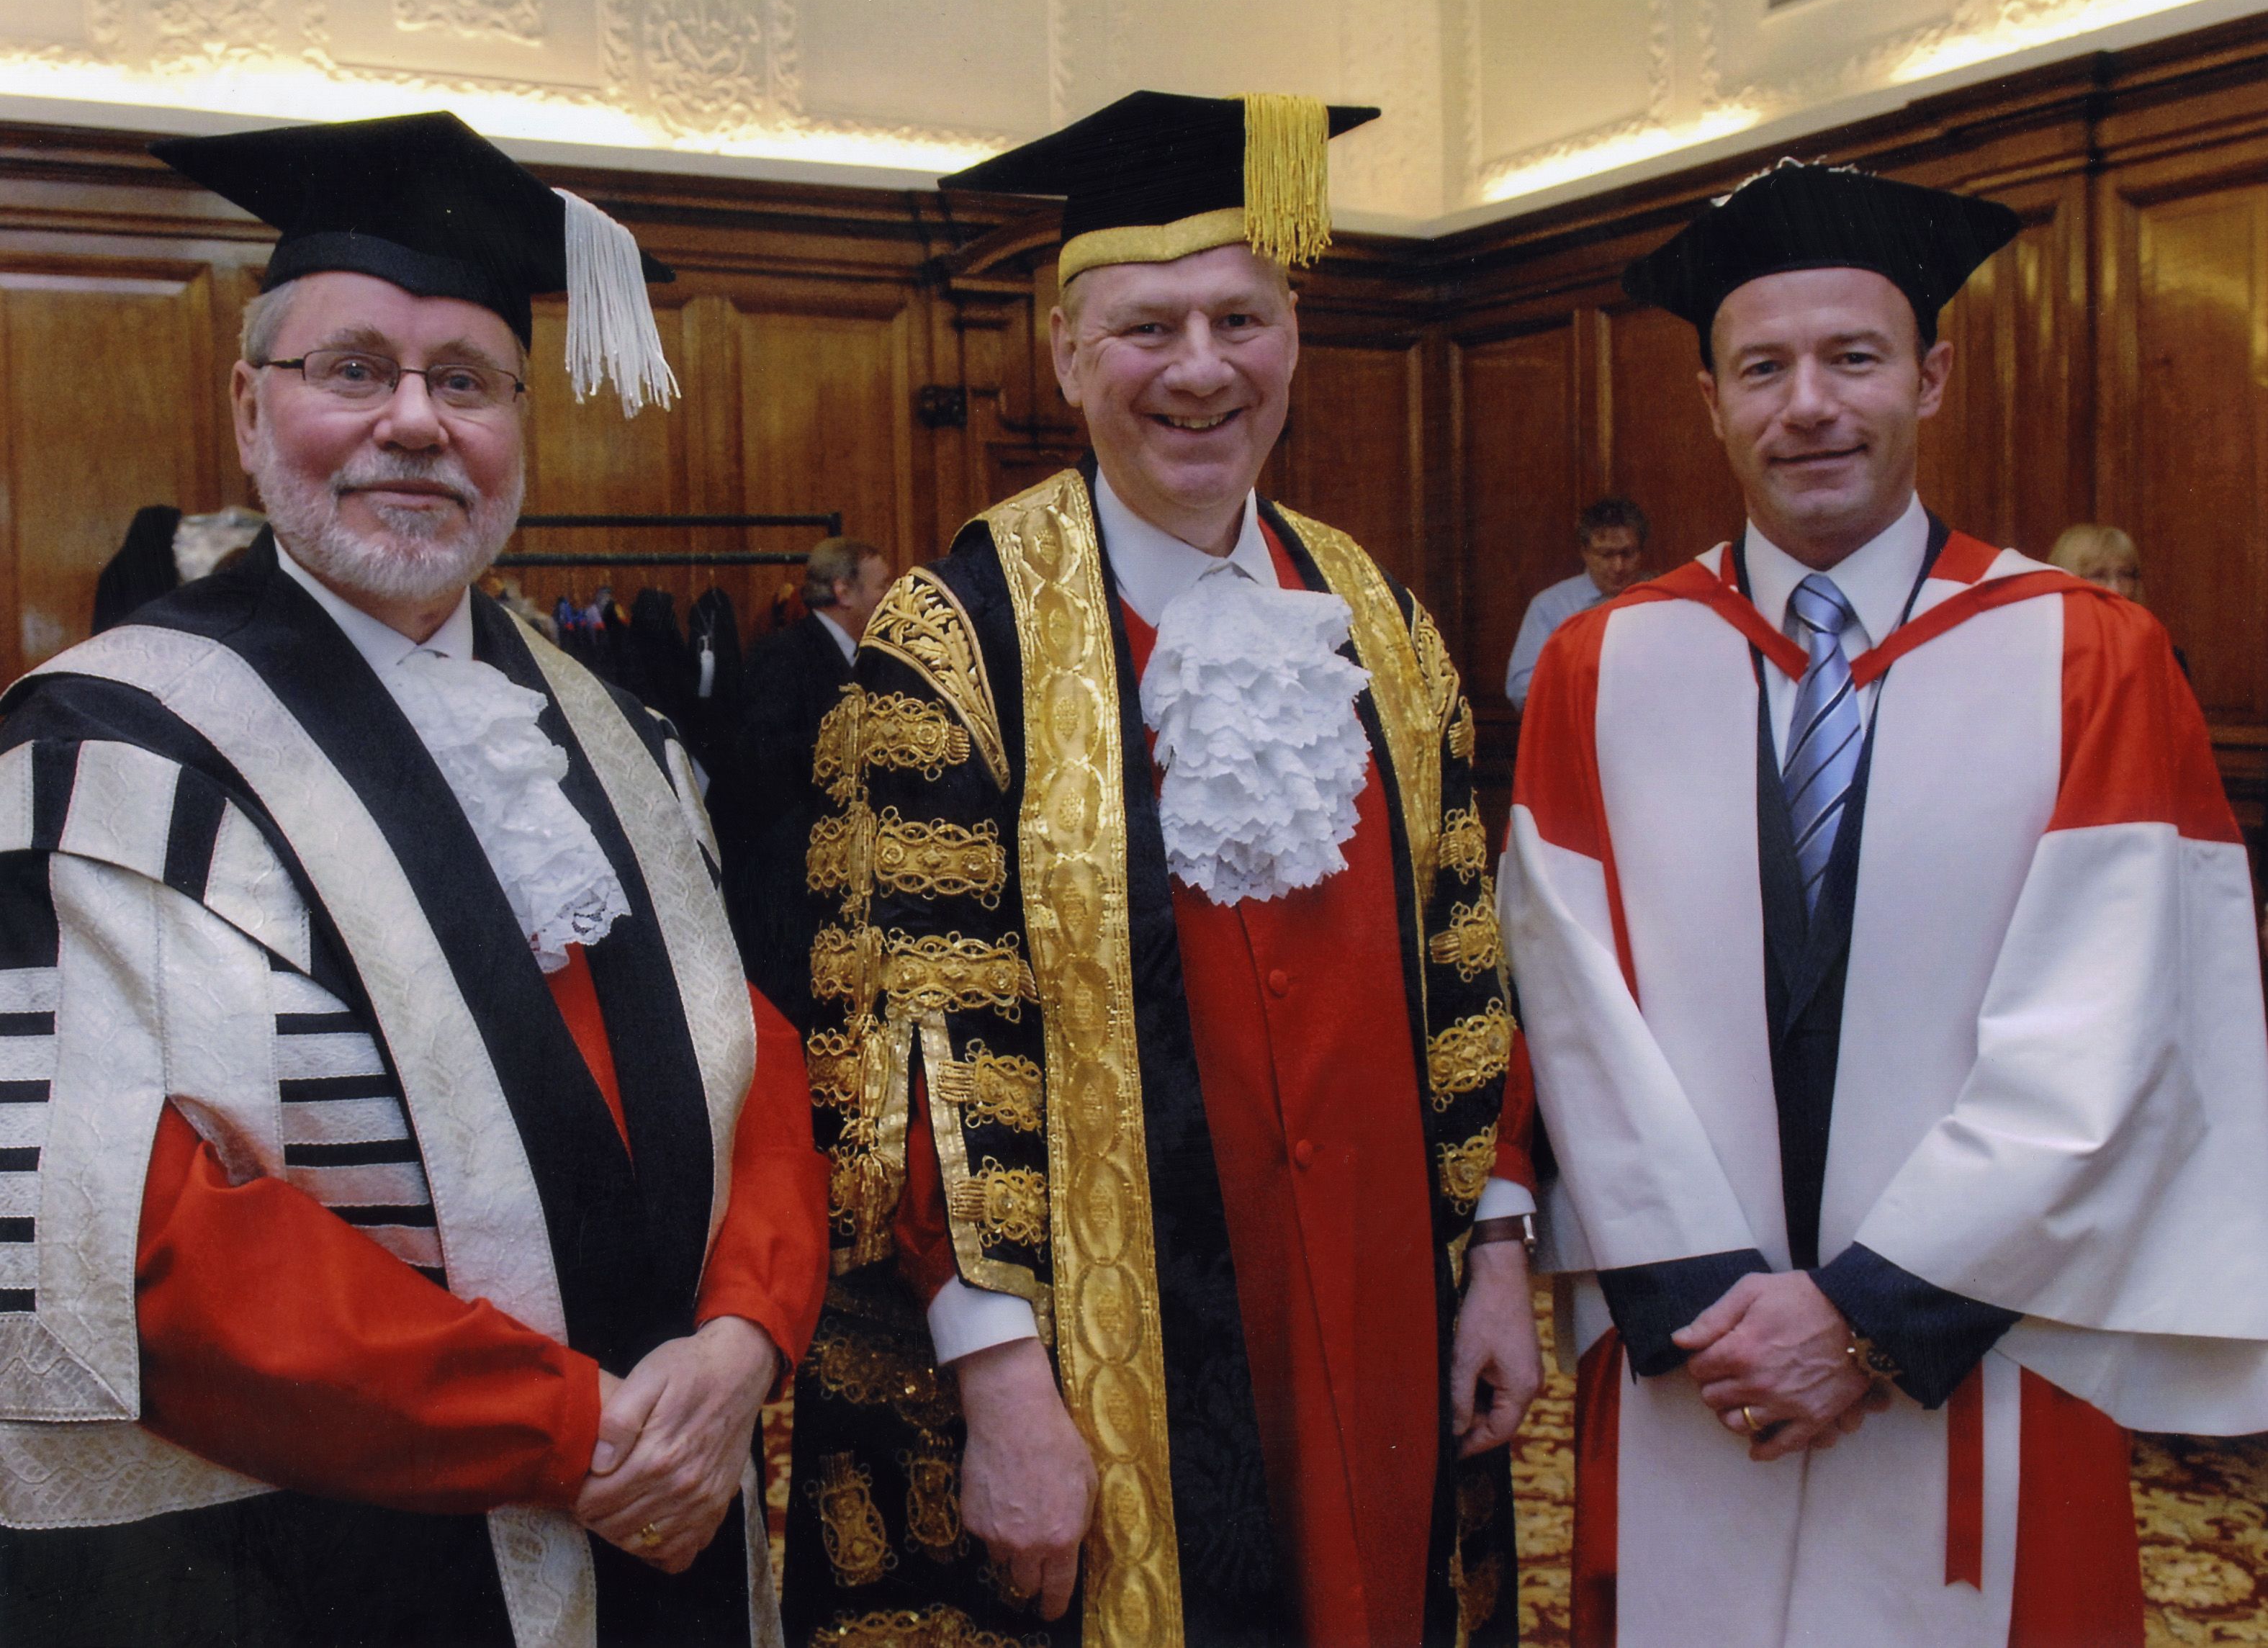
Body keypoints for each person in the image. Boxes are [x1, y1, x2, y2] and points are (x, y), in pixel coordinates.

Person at [0, 112, 831, 1648]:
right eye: (354, 369)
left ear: (521, 422)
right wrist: (570, 1428)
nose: (414, 422)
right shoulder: (106, 749)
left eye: (466, 381)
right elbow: (129, 1238)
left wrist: (744, 1335)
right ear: (249, 409)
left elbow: (752, 1058)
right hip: (330, 1563)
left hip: (678, 1502)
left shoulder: (624, 738)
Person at [780, 91, 1539, 1648]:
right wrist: (1001, 1387)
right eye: (1145, 327)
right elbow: (910, 1044)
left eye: (1240, 318)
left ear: (1295, 333)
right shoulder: (954, 641)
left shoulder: (1381, 617)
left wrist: (1499, 1250)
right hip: (1106, 1335)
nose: (1201, 369)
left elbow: (1471, 956)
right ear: (1063, 354)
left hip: (1386, 1297)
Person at [1500, 157, 2268, 1648]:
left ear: (1932, 374)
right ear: (1712, 400)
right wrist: (1722, 1305)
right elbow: (1567, 1002)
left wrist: (1866, 1314)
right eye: (1762, 367)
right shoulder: (1608, 668)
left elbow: (2119, 1024)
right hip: (1699, 1352)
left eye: (1853, 358)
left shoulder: (2087, 653)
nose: (1809, 404)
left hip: (1979, 1329)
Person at [722, 536, 891, 1031]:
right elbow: (761, 757)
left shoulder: (862, 659)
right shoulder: (786, 653)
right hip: (789, 887)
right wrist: (859, 739)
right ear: (844, 590)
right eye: (881, 586)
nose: (889, 597)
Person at [1503, 497, 1648, 709]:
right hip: (1577, 727)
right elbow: (1521, 688)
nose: (1618, 566)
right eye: (1606, 555)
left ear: (1641, 551)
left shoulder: (1660, 600)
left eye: (1628, 554)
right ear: (1585, 552)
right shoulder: (1550, 606)